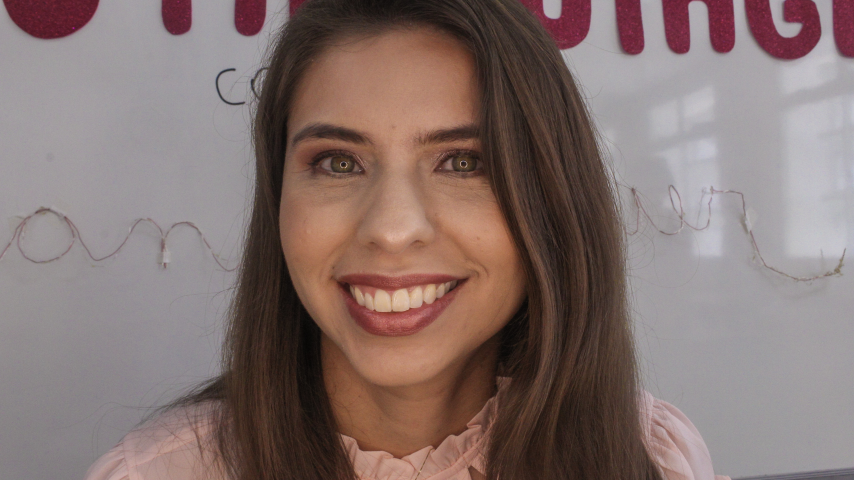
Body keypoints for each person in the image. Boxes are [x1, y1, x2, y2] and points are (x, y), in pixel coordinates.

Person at [85, 0, 730, 479]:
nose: (392, 230)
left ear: (552, 199)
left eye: (463, 162)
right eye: (339, 162)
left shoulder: (654, 459)